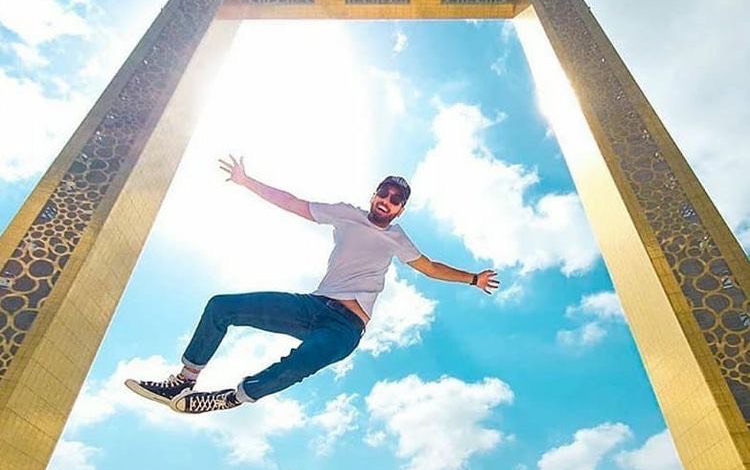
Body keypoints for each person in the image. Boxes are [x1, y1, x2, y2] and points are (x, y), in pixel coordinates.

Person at [125, 154, 499, 414]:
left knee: (298, 364)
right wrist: (246, 181)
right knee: (221, 306)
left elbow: (430, 267)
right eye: (384, 193)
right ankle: (184, 381)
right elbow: (293, 203)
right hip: (312, 306)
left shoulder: (398, 239)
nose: (387, 201)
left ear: (401, 209)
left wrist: (472, 278)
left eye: (396, 200)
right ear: (374, 195)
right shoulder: (346, 214)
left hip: (345, 328)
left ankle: (231, 398)